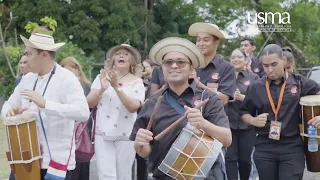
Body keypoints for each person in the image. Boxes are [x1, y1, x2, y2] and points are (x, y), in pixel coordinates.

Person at [130, 37, 232, 180]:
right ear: (162, 70)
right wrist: (140, 143)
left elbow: (227, 139)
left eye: (181, 62)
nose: (174, 66)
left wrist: (203, 124)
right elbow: (144, 152)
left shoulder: (208, 98)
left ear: (191, 69)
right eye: (168, 62)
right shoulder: (152, 103)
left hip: (203, 176)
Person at [1, 32, 90, 180]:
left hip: (55, 162)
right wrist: (10, 112)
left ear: (43, 55)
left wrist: (46, 104)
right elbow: (8, 105)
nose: (25, 59)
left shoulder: (66, 78)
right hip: (26, 158)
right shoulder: (27, 79)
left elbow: (82, 112)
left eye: (28, 54)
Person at [239, 44, 320, 180]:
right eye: (265, 65)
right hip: (264, 147)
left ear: (283, 60)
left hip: (292, 146)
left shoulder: (299, 82)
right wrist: (253, 120)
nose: (270, 70)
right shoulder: (256, 87)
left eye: (274, 64)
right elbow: (243, 112)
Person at [86, 44, 145, 180]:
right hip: (102, 133)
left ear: (131, 61)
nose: (121, 55)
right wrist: (101, 89)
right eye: (118, 54)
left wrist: (116, 87)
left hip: (126, 134)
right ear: (112, 59)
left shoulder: (137, 82)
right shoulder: (102, 77)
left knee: (123, 175)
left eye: (125, 54)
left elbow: (133, 107)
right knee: (105, 175)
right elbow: (88, 103)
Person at [225, 49, 259, 180]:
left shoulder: (254, 78)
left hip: (247, 126)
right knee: (230, 158)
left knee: (245, 160)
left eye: (239, 57)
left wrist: (241, 97)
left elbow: (258, 101)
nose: (235, 59)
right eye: (233, 57)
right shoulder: (225, 77)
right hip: (229, 124)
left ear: (246, 60)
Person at [188, 22, 236, 106]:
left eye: (206, 40)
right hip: (188, 115)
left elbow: (224, 100)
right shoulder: (189, 65)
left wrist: (200, 85)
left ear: (216, 42)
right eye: (198, 40)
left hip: (214, 117)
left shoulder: (226, 68)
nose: (201, 44)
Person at [60, 57, 92, 180]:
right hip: (64, 130)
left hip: (82, 132)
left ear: (78, 70)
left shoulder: (87, 86)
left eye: (72, 68)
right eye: (65, 68)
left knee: (82, 164)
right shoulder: (58, 86)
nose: (69, 71)